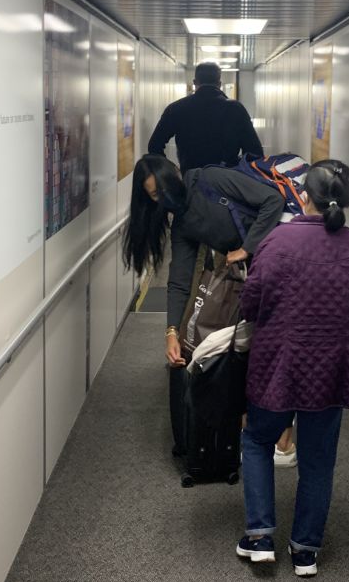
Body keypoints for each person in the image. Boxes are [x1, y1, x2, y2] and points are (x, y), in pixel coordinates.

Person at [233, 160, 349, 577]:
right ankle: (305, 550)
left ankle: (260, 536)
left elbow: (249, 304)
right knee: (319, 460)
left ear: (304, 196)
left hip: (277, 366)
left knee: (256, 442)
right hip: (332, 372)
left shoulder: (277, 241)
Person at [121, 153, 285, 454]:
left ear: (174, 173)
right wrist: (171, 331)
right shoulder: (182, 223)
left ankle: (284, 439)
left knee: (276, 344)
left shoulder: (211, 179)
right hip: (249, 277)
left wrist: (246, 248)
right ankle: (253, 426)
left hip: (278, 258)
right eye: (155, 195)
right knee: (251, 347)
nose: (164, 198)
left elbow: (272, 201)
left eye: (163, 188)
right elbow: (179, 281)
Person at [147, 61, 263, 172]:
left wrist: (171, 171)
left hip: (191, 180)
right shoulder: (236, 109)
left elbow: (154, 145)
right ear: (219, 84)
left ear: (194, 82)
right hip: (226, 181)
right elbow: (254, 152)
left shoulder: (176, 108)